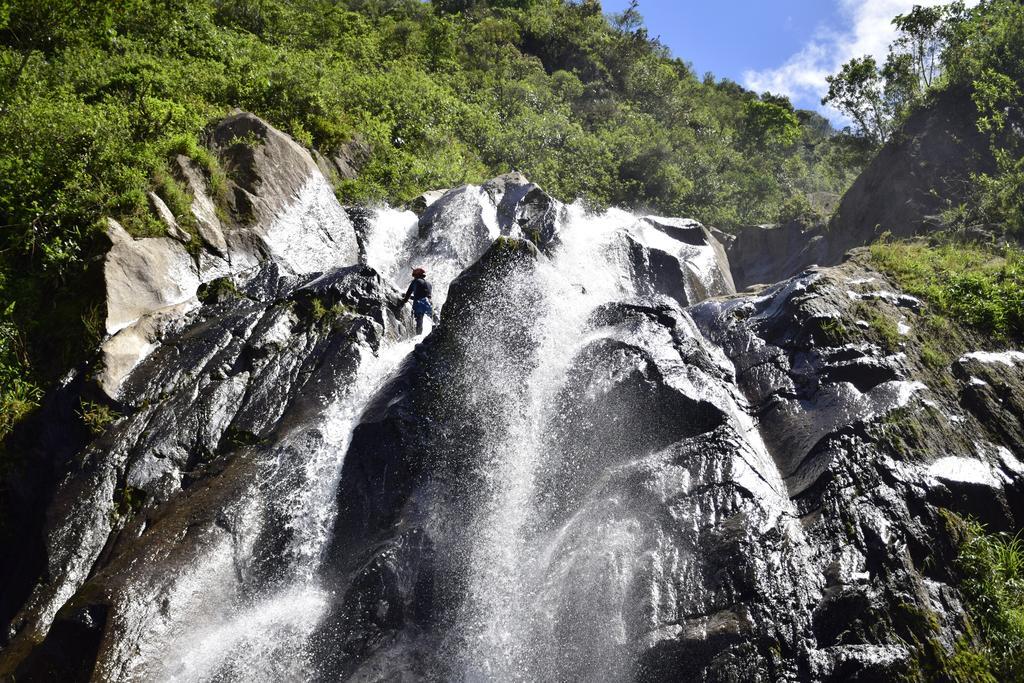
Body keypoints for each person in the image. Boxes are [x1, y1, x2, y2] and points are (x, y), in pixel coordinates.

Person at [402, 267, 435, 335]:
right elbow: (422, 296)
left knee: (419, 322)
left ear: (416, 275)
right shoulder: (429, 284)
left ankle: (418, 336)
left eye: (414, 276)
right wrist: (411, 298)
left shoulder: (415, 281)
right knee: (434, 321)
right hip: (429, 303)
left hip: (419, 304)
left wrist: (404, 300)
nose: (414, 277)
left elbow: (408, 294)